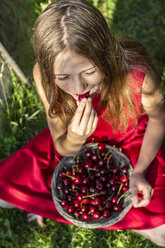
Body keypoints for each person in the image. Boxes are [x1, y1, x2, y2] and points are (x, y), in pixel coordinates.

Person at [0, 0, 165, 245]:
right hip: (71, 148)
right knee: (4, 194)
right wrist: (75, 138)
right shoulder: (43, 75)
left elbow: (158, 120)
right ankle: (130, 221)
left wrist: (140, 170)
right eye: (64, 77)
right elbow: (61, 146)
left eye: (88, 72)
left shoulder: (136, 74)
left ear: (106, 55)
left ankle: (136, 222)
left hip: (131, 139)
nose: (79, 88)